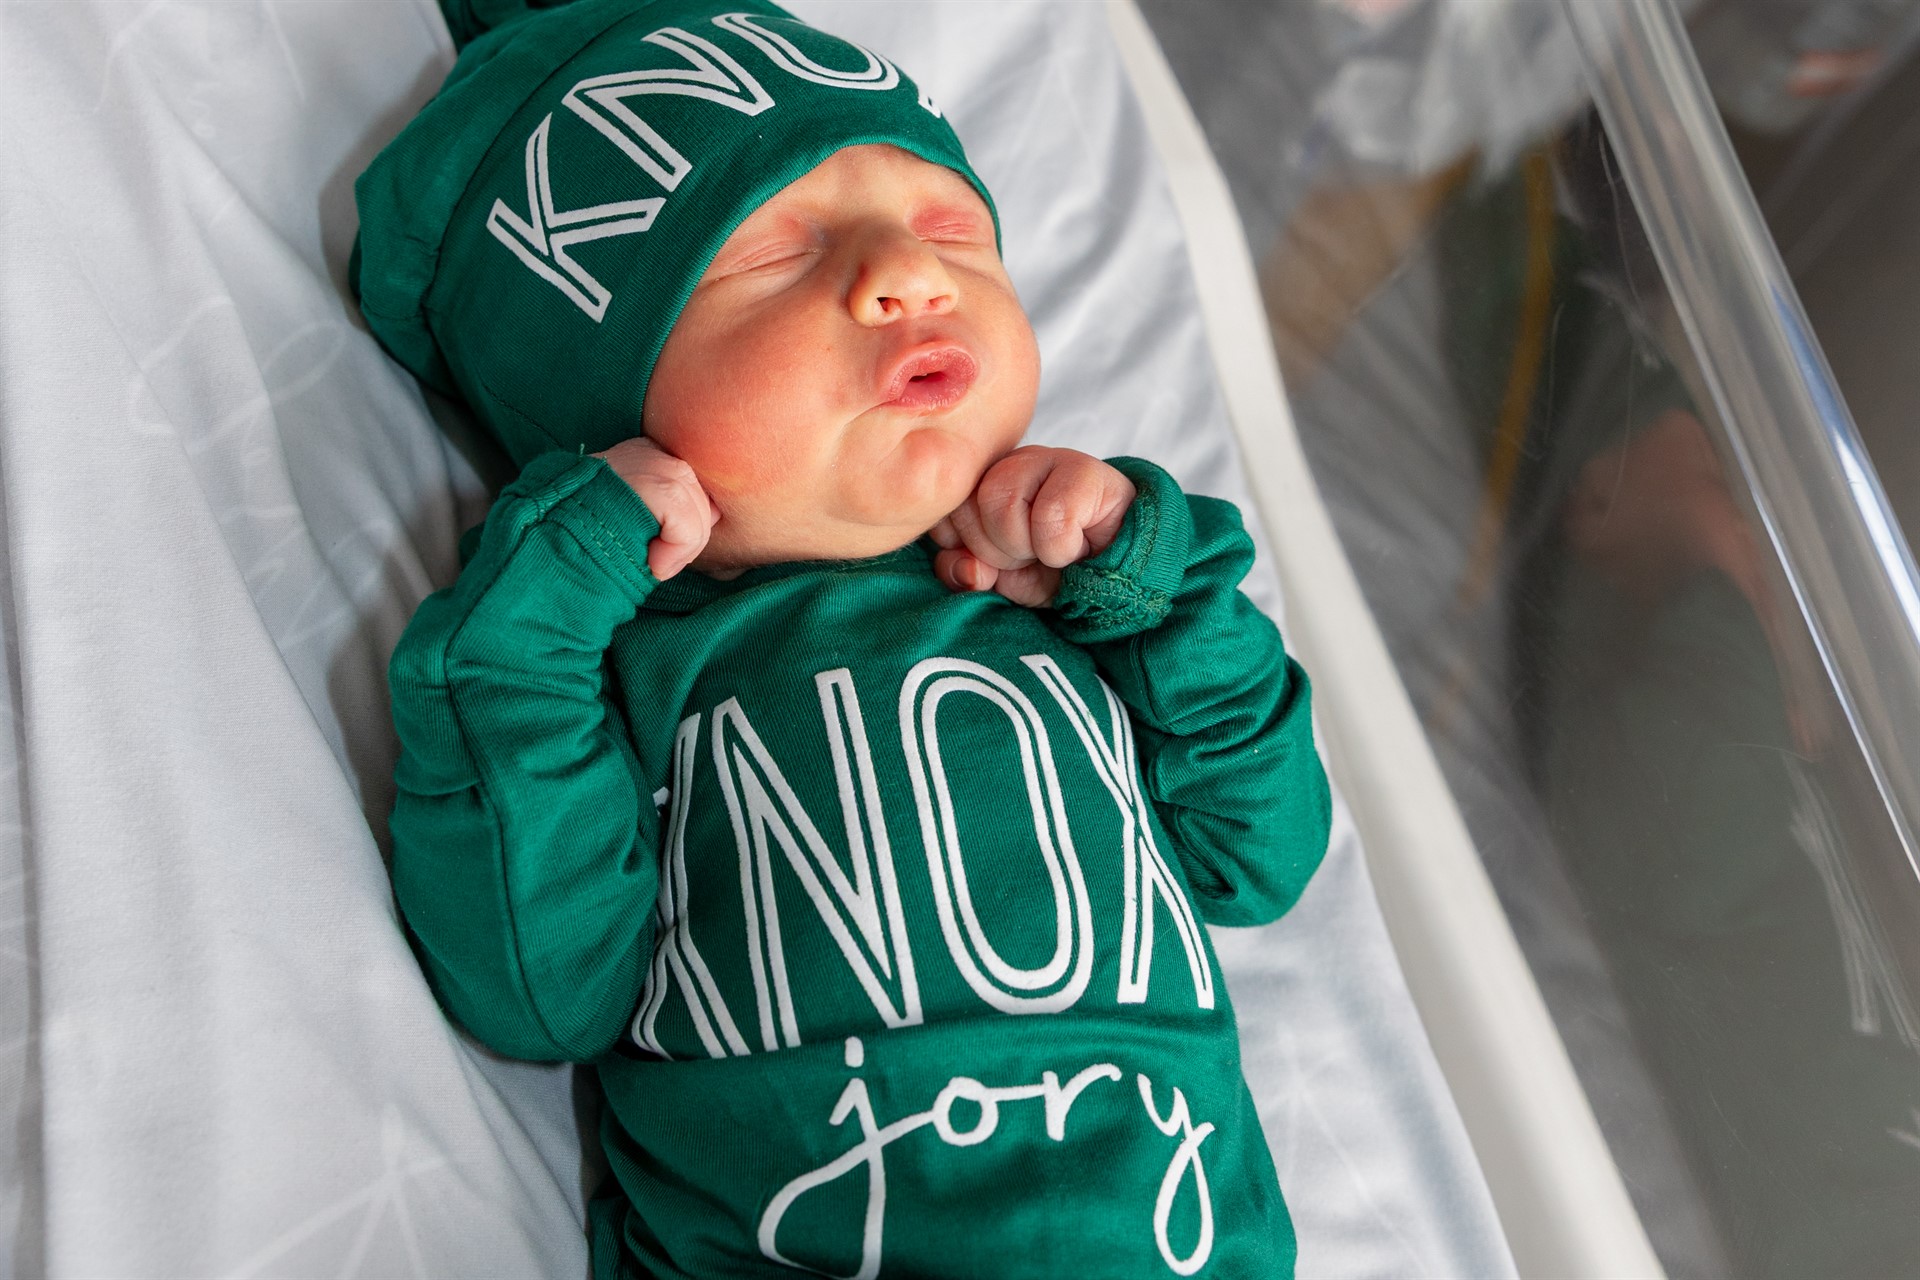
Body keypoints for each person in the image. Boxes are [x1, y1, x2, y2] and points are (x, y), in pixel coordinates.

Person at [353, 1, 1331, 1275]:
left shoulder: (1074, 600)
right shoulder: (622, 662)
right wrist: (532, 622)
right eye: (771, 253)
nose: (909, 275)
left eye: (951, 230)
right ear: (601, 412)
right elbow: (540, 991)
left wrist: (1159, 588)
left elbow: (1260, 852)